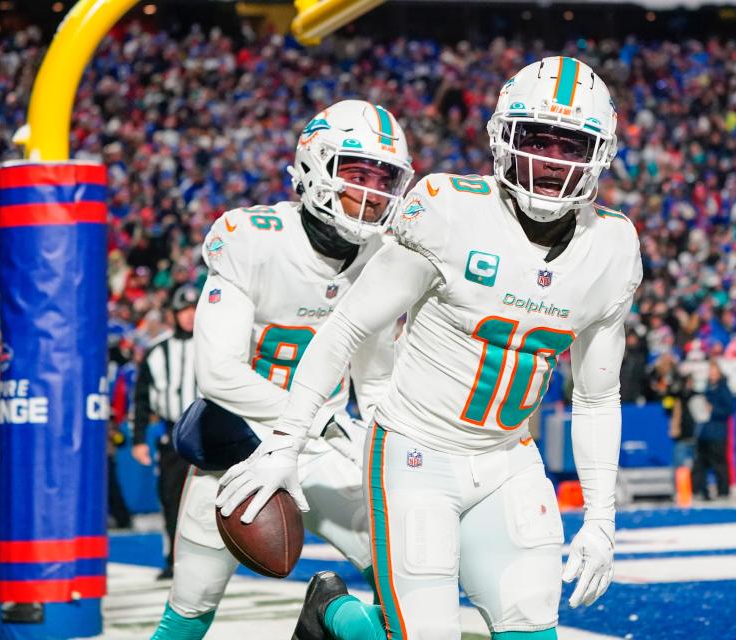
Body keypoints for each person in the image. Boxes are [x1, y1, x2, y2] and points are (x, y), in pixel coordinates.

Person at [218, 57, 642, 640]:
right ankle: (334, 616)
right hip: (415, 453)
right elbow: (344, 328)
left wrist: (601, 519)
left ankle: (337, 616)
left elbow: (597, 398)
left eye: (570, 145)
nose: (549, 160)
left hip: (508, 459)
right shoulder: (449, 208)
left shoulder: (612, 246)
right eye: (536, 139)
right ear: (502, 140)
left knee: (532, 624)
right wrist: (287, 443)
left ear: (600, 155)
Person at [148, 101, 414, 640]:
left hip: (325, 451)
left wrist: (389, 447)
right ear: (316, 168)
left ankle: (327, 616)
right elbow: (218, 374)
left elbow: (377, 379)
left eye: (384, 178)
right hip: (241, 447)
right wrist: (321, 424)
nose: (372, 192)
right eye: (357, 174)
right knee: (185, 619)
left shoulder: (385, 257)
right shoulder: (254, 238)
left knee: (409, 588)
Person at [133, 284, 201, 579]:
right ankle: (174, 560)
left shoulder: (214, 346)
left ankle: (215, 563)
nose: (189, 316)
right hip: (173, 434)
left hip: (208, 432)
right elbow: (141, 399)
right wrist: (137, 440)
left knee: (211, 500)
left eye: (193, 310)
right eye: (183, 310)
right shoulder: (157, 352)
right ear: (174, 314)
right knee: (171, 499)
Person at [692, 362, 734, 500]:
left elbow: (729, 410)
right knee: (700, 464)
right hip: (703, 433)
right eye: (710, 372)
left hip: (717, 433)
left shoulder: (723, 389)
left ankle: (723, 492)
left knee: (719, 464)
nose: (712, 375)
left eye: (714, 372)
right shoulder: (706, 389)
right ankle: (702, 492)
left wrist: (713, 410)